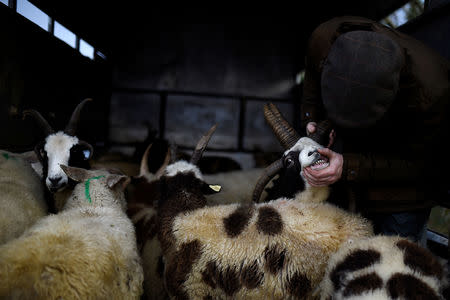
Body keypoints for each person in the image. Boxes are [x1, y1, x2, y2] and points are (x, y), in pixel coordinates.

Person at [300, 16, 450, 246]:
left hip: (404, 193)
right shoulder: (325, 38)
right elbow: (311, 74)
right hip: (353, 173)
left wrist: (347, 166)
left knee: (397, 267)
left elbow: (420, 165)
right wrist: (313, 119)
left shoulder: (434, 93)